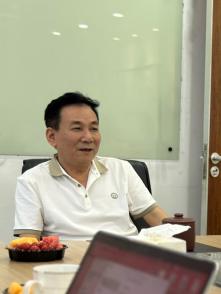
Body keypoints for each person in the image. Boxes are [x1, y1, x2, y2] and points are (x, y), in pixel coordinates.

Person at [14, 92, 170, 241]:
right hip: (68, 257)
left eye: (94, 129)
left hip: (124, 253)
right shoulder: (31, 180)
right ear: (52, 136)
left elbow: (157, 217)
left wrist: (180, 239)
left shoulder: (121, 169)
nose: (88, 138)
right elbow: (29, 241)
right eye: (77, 128)